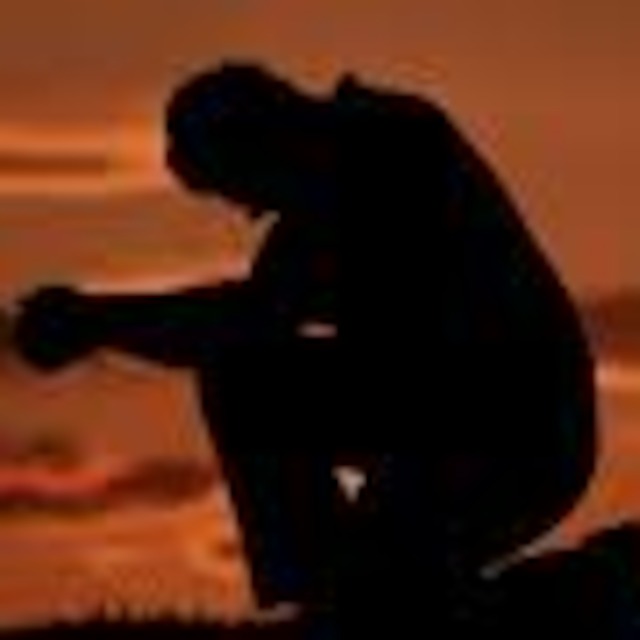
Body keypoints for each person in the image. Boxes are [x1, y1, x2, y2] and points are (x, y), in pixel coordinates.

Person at [13, 63, 597, 631]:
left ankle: (328, 588)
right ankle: (340, 593)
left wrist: (96, 320)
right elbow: (247, 316)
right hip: (452, 425)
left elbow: (241, 322)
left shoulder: (382, 148)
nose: (252, 212)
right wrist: (99, 320)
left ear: (257, 143)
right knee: (382, 599)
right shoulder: (345, 161)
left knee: (246, 380)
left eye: (242, 189)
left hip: (516, 439)